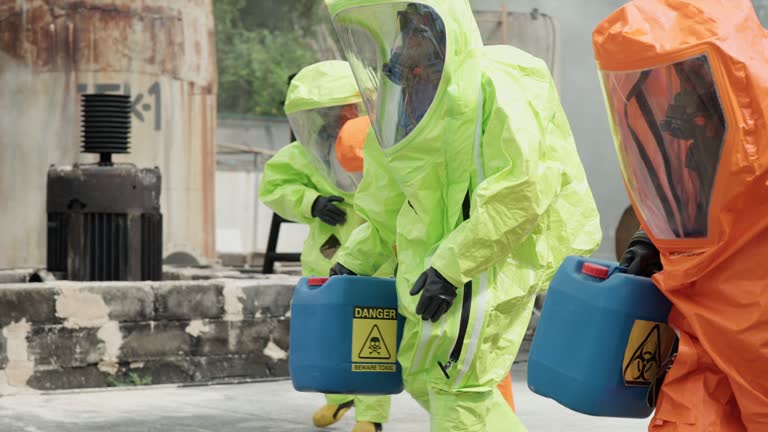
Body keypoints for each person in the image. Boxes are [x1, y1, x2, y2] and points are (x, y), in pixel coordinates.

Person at [325, 1, 602, 430]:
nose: (405, 43)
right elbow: (387, 192)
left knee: (458, 385)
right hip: (432, 263)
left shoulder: (491, 88)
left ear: (440, 31)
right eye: (404, 30)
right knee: (422, 374)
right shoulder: (406, 97)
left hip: (489, 259)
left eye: (417, 30)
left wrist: (455, 267)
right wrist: (356, 257)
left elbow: (522, 190)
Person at [595, 1, 768, 430]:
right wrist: (647, 241)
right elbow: (688, 199)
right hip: (697, 312)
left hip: (756, 323)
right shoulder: (705, 140)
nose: (676, 102)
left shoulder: (755, 119)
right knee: (686, 419)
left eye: (689, 84)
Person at [258, 60, 391, 432]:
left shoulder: (380, 141)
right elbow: (274, 188)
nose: (339, 116)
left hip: (374, 251)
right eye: (330, 111)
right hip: (327, 253)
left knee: (370, 337)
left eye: (346, 108)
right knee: (326, 331)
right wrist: (311, 203)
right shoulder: (305, 153)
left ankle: (371, 417)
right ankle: (339, 399)